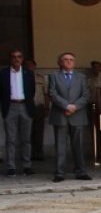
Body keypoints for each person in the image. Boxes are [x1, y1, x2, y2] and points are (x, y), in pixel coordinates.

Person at [48, 52, 91, 182]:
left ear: (74, 62)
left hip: (77, 115)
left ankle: (81, 171)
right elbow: (52, 93)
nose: (68, 62)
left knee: (78, 145)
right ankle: (60, 173)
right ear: (60, 62)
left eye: (71, 59)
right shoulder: (54, 76)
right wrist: (66, 106)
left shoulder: (81, 77)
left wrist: (74, 107)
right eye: (65, 60)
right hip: (60, 115)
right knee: (60, 146)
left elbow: (86, 95)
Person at [3, 49, 36, 176]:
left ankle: (27, 166)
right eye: (13, 57)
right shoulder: (3, 73)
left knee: (26, 139)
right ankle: (11, 167)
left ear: (22, 59)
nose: (16, 59)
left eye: (19, 57)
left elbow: (32, 91)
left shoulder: (28, 73)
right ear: (10, 59)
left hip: (25, 106)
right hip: (10, 106)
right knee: (10, 139)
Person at [28, 58, 47, 162]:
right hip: (27, 107)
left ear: (35, 66)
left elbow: (46, 93)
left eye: (31, 65)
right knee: (27, 132)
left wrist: (47, 107)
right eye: (27, 65)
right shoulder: (22, 78)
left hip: (39, 106)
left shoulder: (40, 78)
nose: (29, 67)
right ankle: (28, 153)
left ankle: (38, 153)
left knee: (39, 131)